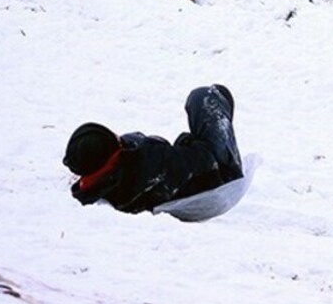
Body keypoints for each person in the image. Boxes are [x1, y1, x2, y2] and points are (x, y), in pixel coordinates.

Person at [63, 84, 243, 213]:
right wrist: (186, 140)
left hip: (168, 189)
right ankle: (231, 161)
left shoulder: (94, 187)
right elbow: (203, 159)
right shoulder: (152, 160)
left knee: (133, 138)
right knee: (206, 96)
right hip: (221, 182)